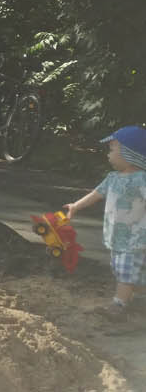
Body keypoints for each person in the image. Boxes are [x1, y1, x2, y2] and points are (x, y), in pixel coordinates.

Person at [66, 126, 146, 319]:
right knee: (120, 270)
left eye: (112, 150)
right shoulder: (112, 178)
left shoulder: (142, 180)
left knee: (125, 273)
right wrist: (76, 206)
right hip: (115, 236)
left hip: (135, 238)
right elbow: (96, 194)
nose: (108, 155)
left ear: (130, 153)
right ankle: (135, 295)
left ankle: (119, 305)